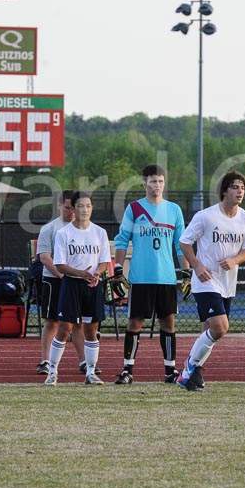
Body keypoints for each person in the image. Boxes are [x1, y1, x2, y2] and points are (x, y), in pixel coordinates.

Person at [176, 172, 245, 391]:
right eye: (235, 187)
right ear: (224, 191)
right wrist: (197, 265)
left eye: (242, 188)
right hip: (206, 280)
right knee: (220, 328)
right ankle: (189, 368)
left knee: (208, 330)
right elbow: (184, 242)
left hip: (227, 283)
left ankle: (194, 374)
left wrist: (234, 259)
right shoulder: (206, 216)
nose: (239, 191)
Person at [112, 165, 188, 384]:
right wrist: (118, 269)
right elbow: (122, 238)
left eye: (161, 181)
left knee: (169, 323)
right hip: (141, 277)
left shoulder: (174, 210)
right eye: (153, 181)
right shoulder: (134, 208)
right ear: (144, 183)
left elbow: (179, 244)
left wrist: (185, 273)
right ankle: (127, 371)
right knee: (135, 323)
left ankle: (170, 371)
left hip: (166, 277)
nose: (157, 186)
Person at [45, 191, 111, 386]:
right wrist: (82, 273)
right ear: (73, 209)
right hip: (72, 284)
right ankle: (52, 371)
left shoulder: (99, 232)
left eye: (88, 206)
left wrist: (97, 274)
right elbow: (59, 265)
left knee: (92, 330)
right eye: (81, 206)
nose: (85, 210)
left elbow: (104, 261)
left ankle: (90, 373)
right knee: (65, 329)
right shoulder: (64, 234)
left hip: (92, 285)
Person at [34, 191, 87, 375]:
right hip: (53, 280)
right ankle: (45, 361)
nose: (71, 212)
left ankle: (84, 362)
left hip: (75, 281)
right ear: (59, 206)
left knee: (77, 322)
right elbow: (44, 257)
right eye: (67, 208)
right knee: (52, 321)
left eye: (74, 208)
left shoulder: (82, 229)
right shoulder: (49, 229)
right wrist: (61, 275)